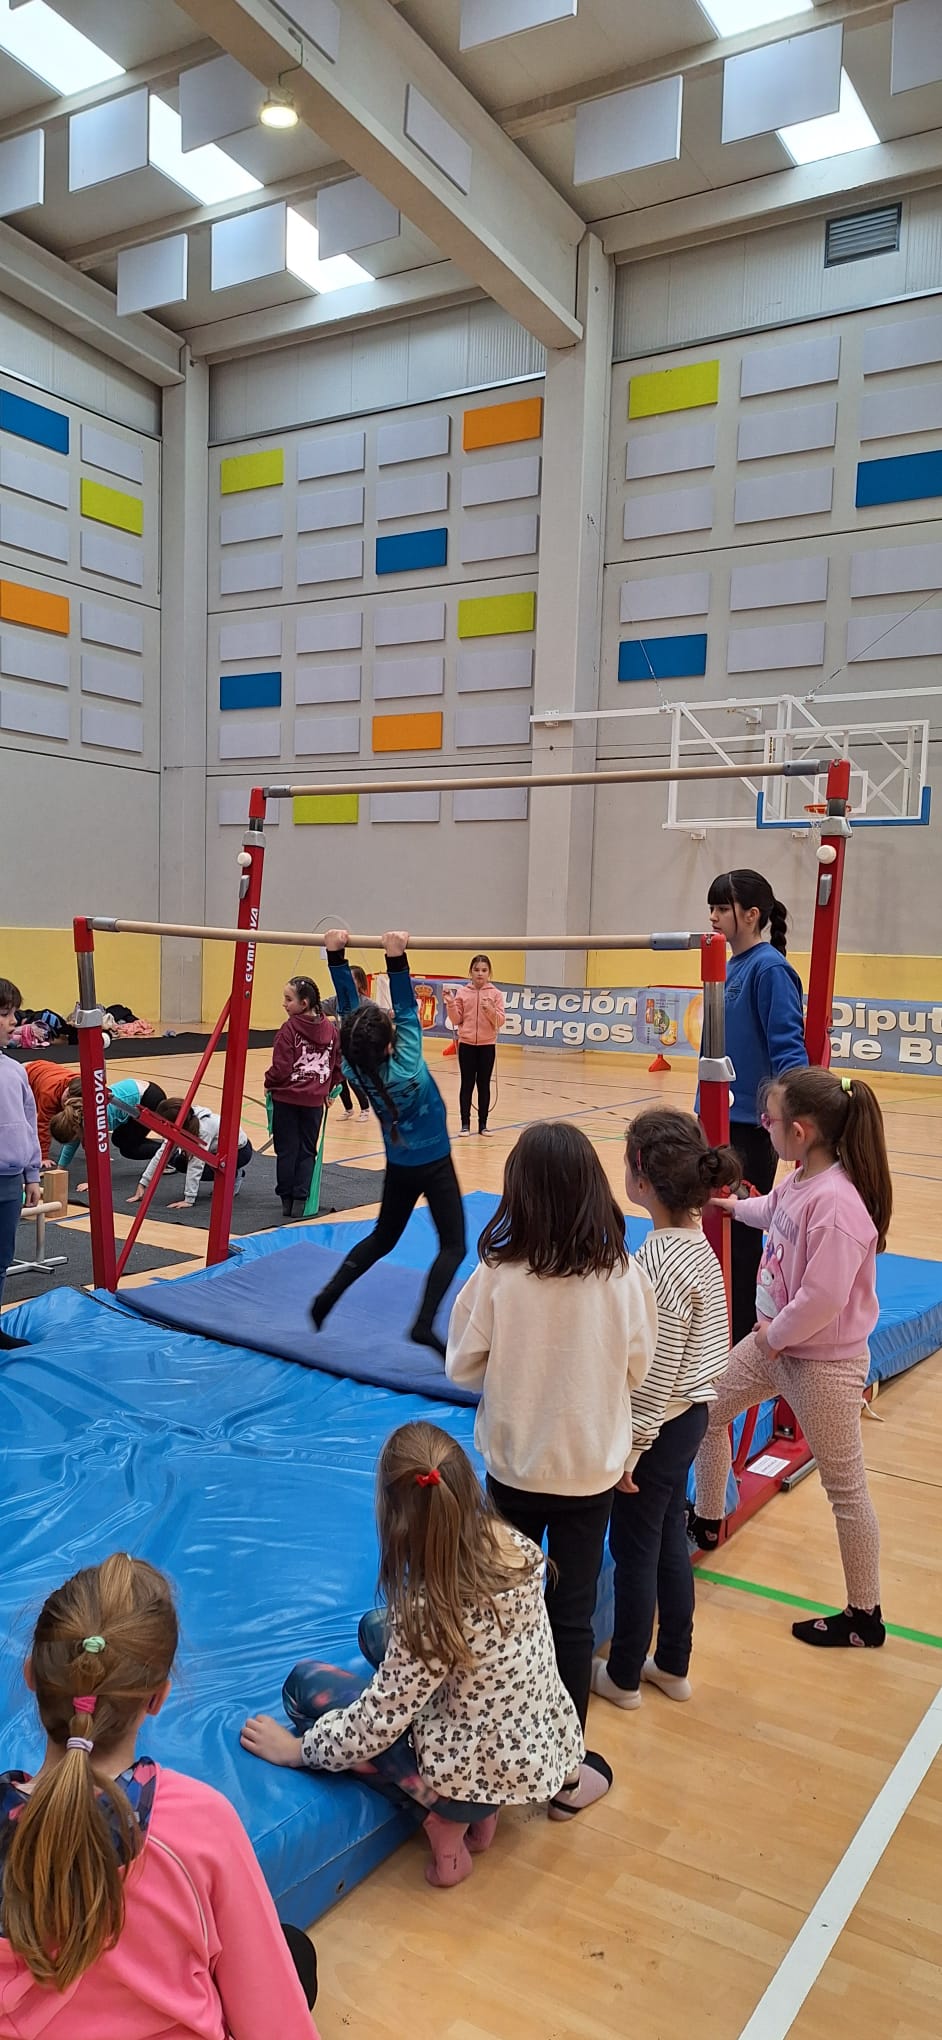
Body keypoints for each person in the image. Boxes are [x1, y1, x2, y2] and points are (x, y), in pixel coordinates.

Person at [241, 1421, 589, 1881]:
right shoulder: (517, 1547)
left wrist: (299, 1750)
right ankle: (481, 1809)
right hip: (529, 1748)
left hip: (468, 1777)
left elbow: (374, 1725)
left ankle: (446, 1820)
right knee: (376, 1628)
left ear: (395, 1517)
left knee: (305, 1688)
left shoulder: (428, 1615)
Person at [0, 1552, 319, 2035]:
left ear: (31, 1677)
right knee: (292, 1957)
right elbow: (276, 2025)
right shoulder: (196, 1826)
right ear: (157, 1698)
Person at [445, 1121, 657, 1791]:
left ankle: (495, 1753)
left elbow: (461, 1366)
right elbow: (638, 1366)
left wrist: (517, 1367)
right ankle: (564, 1769)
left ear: (520, 1194)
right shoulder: (622, 1276)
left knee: (502, 1609)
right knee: (570, 1616)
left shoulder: (499, 1275)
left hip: (515, 1467)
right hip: (588, 1472)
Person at [691, 1066, 893, 1649]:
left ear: (799, 1131)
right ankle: (708, 1519)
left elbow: (823, 1298)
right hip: (776, 1344)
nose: (765, 1127)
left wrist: (773, 1338)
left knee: (845, 1488)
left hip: (821, 1363)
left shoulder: (838, 1205)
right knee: (708, 1409)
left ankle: (864, 1616)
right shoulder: (803, 1177)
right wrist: (732, 1208)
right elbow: (773, 1209)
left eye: (770, 1121)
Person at [591, 1109, 740, 1713]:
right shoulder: (697, 1244)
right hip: (690, 1415)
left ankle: (624, 1674)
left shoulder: (655, 1264)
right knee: (668, 1538)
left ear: (642, 1179)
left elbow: (655, 1372)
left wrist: (632, 1447)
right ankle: (673, 1663)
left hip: (661, 1423)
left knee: (635, 1549)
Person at [309, 930, 466, 1359]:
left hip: (400, 1167)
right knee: (454, 1246)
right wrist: (394, 957)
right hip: (435, 1164)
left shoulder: (355, 1067)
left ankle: (328, 1295)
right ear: (391, 1043)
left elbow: (354, 1012)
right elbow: (406, 1008)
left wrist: (339, 956)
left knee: (383, 1238)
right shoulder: (408, 1064)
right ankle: (423, 1323)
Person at [705, 869, 808, 1344]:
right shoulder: (726, 965)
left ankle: (740, 1343)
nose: (712, 916)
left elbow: (788, 1050)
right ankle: (716, 1329)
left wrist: (796, 1117)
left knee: (742, 1238)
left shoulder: (769, 970)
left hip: (749, 1126)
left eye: (721, 908)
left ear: (750, 915)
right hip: (717, 1117)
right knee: (714, 1228)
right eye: (711, 907)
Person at [264, 976, 339, 1219]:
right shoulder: (331, 1030)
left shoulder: (289, 1029)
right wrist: (329, 1088)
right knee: (307, 1150)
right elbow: (338, 1063)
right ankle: (300, 1197)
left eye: (288, 999)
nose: (284, 1004)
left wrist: (269, 1082)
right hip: (314, 1101)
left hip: (287, 1098)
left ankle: (287, 1199)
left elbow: (281, 1068)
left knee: (287, 1150)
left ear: (304, 1003)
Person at [0, 978, 42, 1351]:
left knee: (1, 1258)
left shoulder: (15, 1070)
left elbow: (29, 1123)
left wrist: (32, 1175)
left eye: (13, 1012)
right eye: (5, 1013)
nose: (14, 1021)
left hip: (11, 1179)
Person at [128, 1099, 252, 1211]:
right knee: (180, 1162)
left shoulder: (203, 1129)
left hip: (240, 1152)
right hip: (218, 1150)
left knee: (192, 1165)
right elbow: (162, 1154)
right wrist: (143, 1184)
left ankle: (233, 1174)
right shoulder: (181, 1124)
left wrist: (189, 1199)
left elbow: (196, 1164)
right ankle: (230, 1172)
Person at [51, 1077, 169, 1178]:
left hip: (148, 1097)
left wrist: (92, 1182)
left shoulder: (98, 1119)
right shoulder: (75, 1116)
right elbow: (72, 1144)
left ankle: (169, 1156)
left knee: (129, 1148)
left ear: (76, 1129)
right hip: (136, 1091)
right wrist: (60, 1169)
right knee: (119, 1139)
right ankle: (164, 1152)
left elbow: (98, 1154)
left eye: (75, 1137)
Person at [444, 956, 506, 1137]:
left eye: (484, 970)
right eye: (476, 970)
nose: (480, 973)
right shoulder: (462, 993)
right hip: (467, 1045)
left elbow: (500, 1021)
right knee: (467, 1084)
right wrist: (450, 1003)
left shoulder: (496, 994)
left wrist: (491, 1011)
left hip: (487, 1045)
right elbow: (456, 1019)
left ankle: (483, 1125)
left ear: (489, 973)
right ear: (470, 972)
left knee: (484, 1084)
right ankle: (465, 1124)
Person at [323, 965, 372, 1119]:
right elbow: (318, 1007)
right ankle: (348, 1108)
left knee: (352, 1078)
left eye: (351, 979)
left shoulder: (364, 1002)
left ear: (360, 983)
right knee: (339, 1078)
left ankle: (365, 1108)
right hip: (340, 1047)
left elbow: (380, 1013)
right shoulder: (336, 1001)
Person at [25, 1059, 79, 1163]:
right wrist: (43, 1156)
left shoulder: (82, 1086)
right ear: (67, 1088)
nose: (66, 1100)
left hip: (46, 1069)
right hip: (27, 1072)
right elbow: (43, 1124)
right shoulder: (49, 1095)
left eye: (70, 1099)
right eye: (67, 1095)